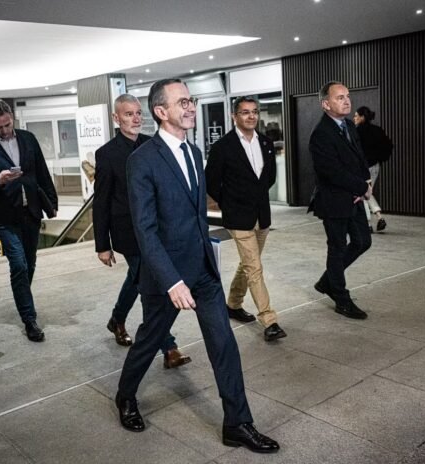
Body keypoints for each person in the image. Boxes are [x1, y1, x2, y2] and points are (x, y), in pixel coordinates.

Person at [115, 79, 279, 453]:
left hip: (203, 270)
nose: (191, 107)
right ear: (161, 111)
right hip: (167, 277)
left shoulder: (192, 152)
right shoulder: (141, 160)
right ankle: (125, 395)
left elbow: (196, 214)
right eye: (183, 102)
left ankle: (237, 423)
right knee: (149, 340)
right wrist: (172, 281)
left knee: (224, 343)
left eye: (191, 101)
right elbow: (145, 229)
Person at [94, 94, 191, 368]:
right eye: (129, 114)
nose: (136, 118)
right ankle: (168, 347)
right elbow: (101, 202)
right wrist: (102, 245)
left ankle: (117, 318)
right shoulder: (106, 154)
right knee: (154, 286)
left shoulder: (153, 145)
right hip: (128, 232)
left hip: (156, 230)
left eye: (138, 113)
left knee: (137, 279)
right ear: (116, 118)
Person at [0, 100, 58, 342]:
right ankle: (29, 318)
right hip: (6, 215)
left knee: (29, 264)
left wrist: (52, 202)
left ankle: (22, 297)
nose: (5, 130)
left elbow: (41, 170)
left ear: (12, 118)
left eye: (8, 125)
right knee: (18, 265)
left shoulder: (28, 138)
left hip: (31, 211)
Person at [205, 96, 286, 342]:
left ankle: (233, 303)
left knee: (250, 262)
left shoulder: (266, 142)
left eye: (254, 112)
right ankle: (269, 320)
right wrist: (229, 202)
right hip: (237, 216)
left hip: (262, 214)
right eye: (245, 112)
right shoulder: (223, 146)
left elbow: (269, 178)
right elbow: (211, 182)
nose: (251, 116)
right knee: (254, 267)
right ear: (234, 116)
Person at [309, 81, 372, 320]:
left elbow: (359, 157)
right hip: (333, 201)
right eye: (340, 97)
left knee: (362, 241)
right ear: (326, 104)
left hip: (354, 197)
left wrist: (365, 180)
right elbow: (332, 172)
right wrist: (361, 187)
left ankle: (327, 281)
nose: (347, 101)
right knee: (337, 249)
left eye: (347, 96)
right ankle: (341, 299)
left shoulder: (349, 125)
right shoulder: (320, 134)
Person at [354, 106, 393, 233]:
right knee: (367, 192)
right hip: (374, 166)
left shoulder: (356, 132)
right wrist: (378, 159)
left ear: (362, 117)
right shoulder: (377, 130)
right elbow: (388, 146)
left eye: (356, 116)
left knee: (363, 193)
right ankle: (379, 217)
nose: (354, 118)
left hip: (362, 167)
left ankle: (368, 224)